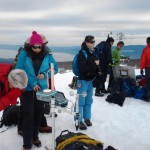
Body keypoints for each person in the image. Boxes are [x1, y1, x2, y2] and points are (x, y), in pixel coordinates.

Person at [16, 31, 58, 150]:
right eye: (35, 47)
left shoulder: (47, 54)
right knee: (28, 115)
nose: (37, 49)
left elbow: (55, 68)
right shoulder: (24, 54)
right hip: (27, 88)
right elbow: (19, 70)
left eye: (40, 46)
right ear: (30, 45)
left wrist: (44, 74)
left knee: (38, 114)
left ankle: (35, 136)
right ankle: (27, 143)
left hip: (42, 89)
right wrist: (33, 82)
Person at [76, 35, 100, 130]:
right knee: (81, 101)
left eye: (93, 41)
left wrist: (98, 72)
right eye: (90, 42)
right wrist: (94, 64)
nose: (92, 43)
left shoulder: (92, 52)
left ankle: (87, 118)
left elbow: (93, 66)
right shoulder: (82, 54)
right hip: (83, 80)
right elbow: (83, 69)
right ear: (86, 42)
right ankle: (78, 120)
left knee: (89, 100)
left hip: (90, 80)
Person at [140, 37, 150, 102]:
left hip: (148, 68)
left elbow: (143, 60)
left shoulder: (146, 49)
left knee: (148, 82)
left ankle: (148, 96)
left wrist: (141, 69)